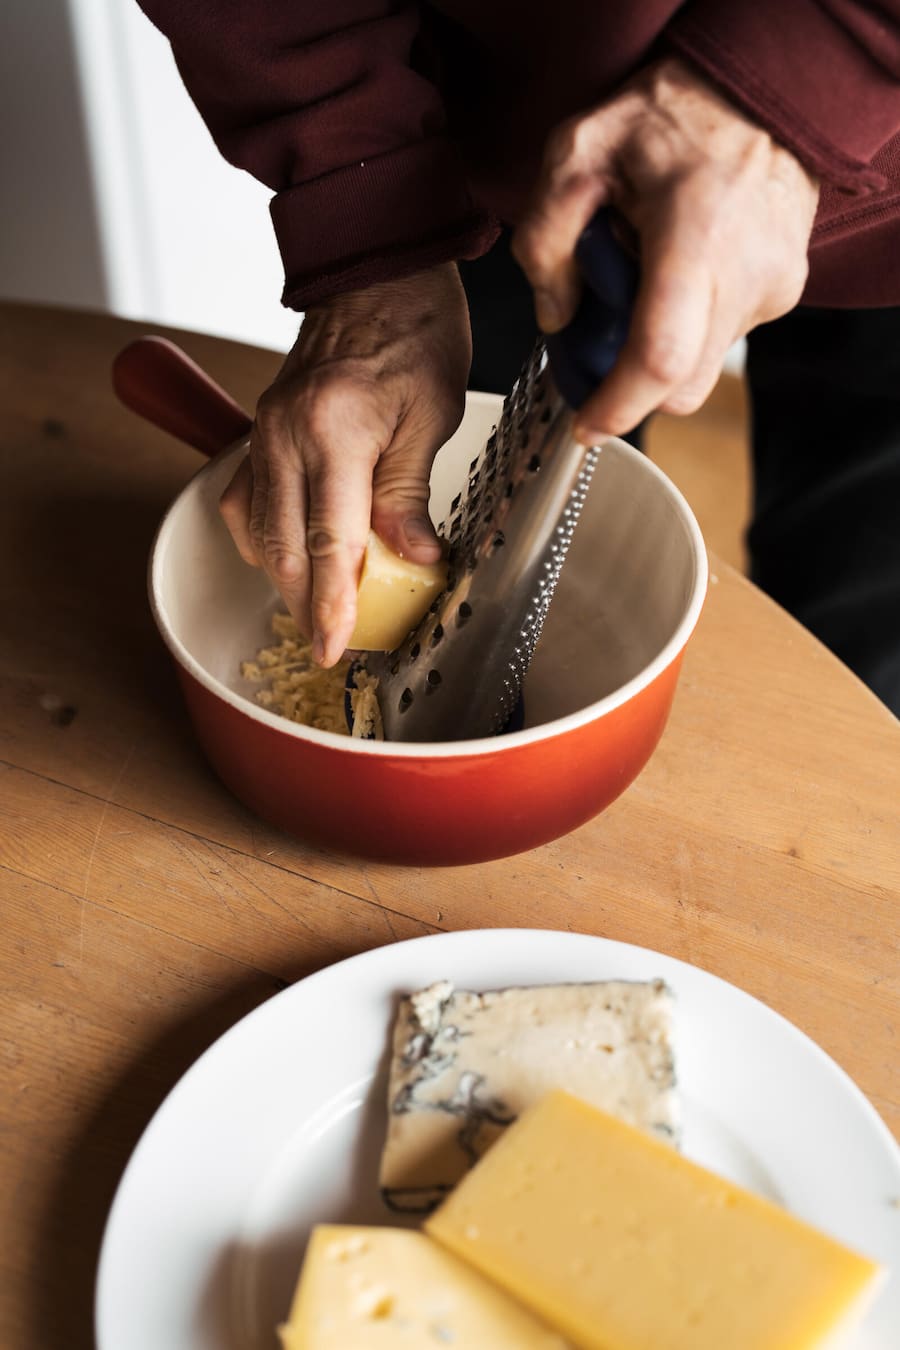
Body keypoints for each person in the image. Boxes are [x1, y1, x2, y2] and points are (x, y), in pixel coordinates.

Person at [138, 2, 900, 713]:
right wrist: (370, 225)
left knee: (858, 649)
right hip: (504, 151)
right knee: (468, 495)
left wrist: (805, 78)